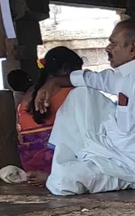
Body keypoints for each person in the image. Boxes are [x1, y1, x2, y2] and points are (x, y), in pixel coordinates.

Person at [33, 20, 135, 200]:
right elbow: (95, 80)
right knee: (81, 95)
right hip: (116, 148)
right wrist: (53, 82)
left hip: (133, 167)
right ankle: (72, 164)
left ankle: (64, 171)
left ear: (132, 49)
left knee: (61, 181)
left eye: (113, 43)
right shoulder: (132, 73)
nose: (108, 48)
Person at [15, 47, 85, 181]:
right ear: (65, 69)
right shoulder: (73, 92)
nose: (80, 76)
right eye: (78, 71)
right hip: (59, 165)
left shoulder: (29, 95)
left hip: (30, 165)